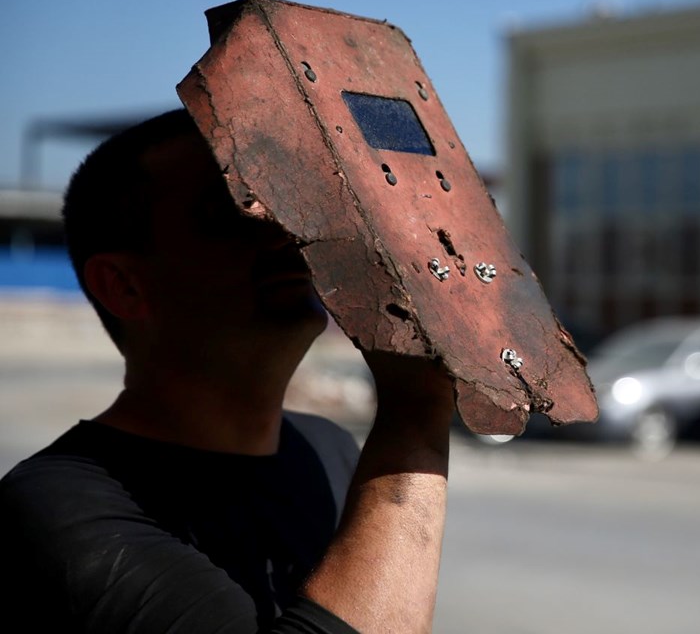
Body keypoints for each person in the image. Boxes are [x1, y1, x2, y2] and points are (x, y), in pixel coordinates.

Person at [0, 109, 455, 633]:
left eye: (286, 208)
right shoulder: (58, 506)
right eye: (235, 213)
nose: (286, 237)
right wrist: (415, 415)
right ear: (123, 285)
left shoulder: (327, 449)